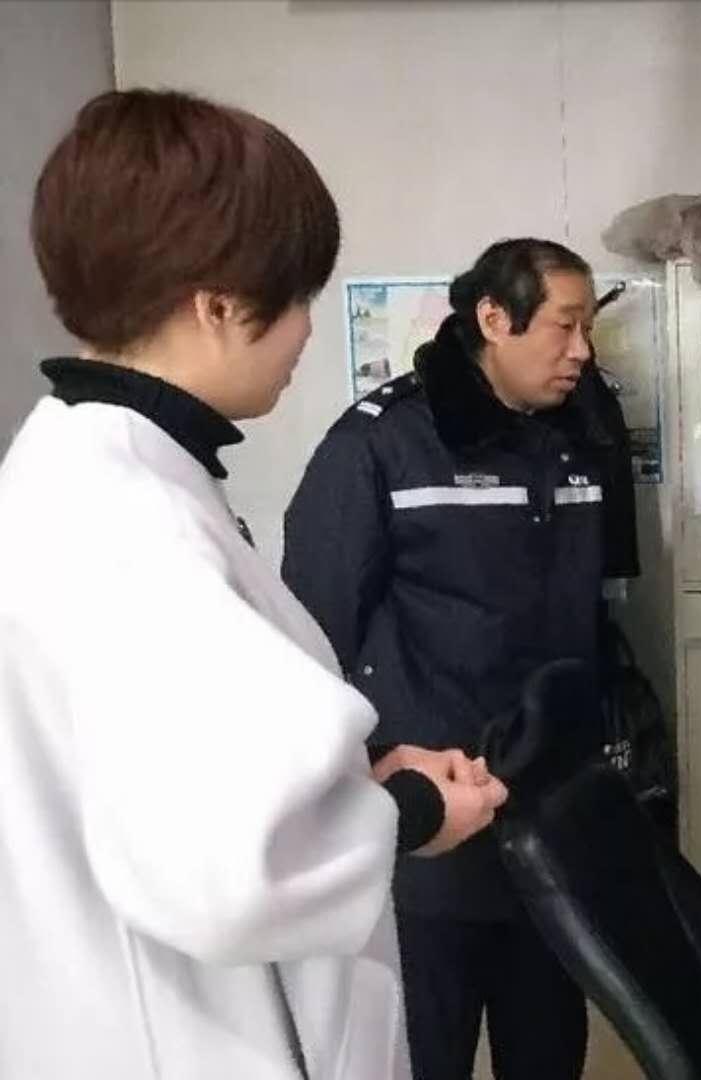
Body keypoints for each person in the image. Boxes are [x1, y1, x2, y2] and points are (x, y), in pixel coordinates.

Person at [0, 89, 506, 1080]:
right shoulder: (130, 522)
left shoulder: (70, 469)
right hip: (191, 1038)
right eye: (298, 298)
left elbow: (168, 770)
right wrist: (406, 812)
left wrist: (349, 779)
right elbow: (227, 870)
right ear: (219, 305)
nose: (308, 330)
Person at [283, 238, 614, 1079]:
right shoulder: (382, 445)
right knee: (430, 1052)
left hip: (548, 821)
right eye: (565, 325)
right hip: (437, 820)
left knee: (549, 1050)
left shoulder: (577, 432)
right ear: (495, 319)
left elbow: (589, 616)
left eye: (588, 327)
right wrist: (368, 778)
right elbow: (313, 636)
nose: (582, 350)